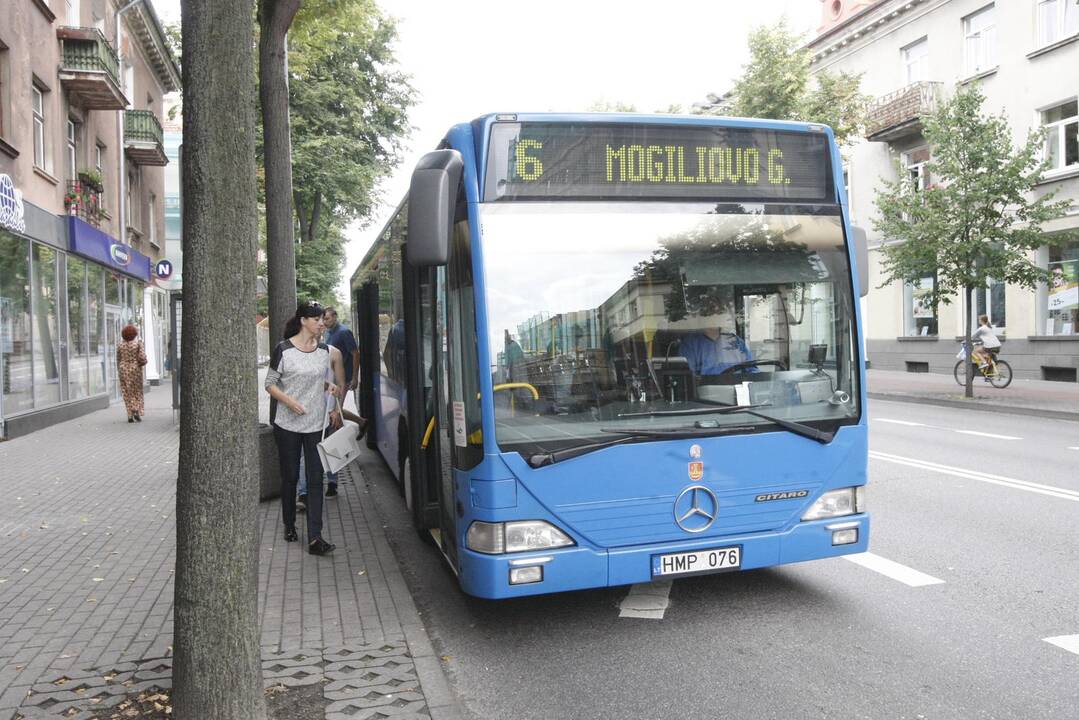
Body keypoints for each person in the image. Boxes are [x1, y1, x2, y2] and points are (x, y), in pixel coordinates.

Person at [265, 300, 343, 555]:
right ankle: (289, 524)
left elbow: (316, 379)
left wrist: (327, 387)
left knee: (315, 479)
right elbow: (271, 383)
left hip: (315, 425)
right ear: (303, 321)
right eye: (316, 319)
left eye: (323, 319)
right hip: (287, 424)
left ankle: (315, 537)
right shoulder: (284, 350)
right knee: (290, 477)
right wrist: (290, 402)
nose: (321, 323)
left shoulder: (324, 351)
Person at [322, 307, 362, 497]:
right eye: (324, 319)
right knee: (334, 418)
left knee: (335, 422)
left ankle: (333, 480)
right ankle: (361, 422)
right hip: (329, 388)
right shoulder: (326, 333)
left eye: (328, 319)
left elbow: (355, 353)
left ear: (335, 317)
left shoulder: (344, 332)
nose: (326, 322)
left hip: (341, 381)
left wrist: (354, 377)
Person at [678, 306, 755, 377]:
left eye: (719, 313)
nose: (715, 316)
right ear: (702, 317)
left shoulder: (735, 341)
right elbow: (689, 378)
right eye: (710, 313)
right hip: (706, 390)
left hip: (737, 388)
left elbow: (753, 370)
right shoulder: (690, 344)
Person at [117, 324, 148, 422]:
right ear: (134, 334)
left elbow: (118, 358)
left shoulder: (120, 345)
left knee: (127, 392)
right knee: (137, 391)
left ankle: (130, 415)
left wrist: (120, 369)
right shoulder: (138, 344)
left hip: (123, 370)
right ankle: (137, 411)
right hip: (135, 370)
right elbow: (142, 357)